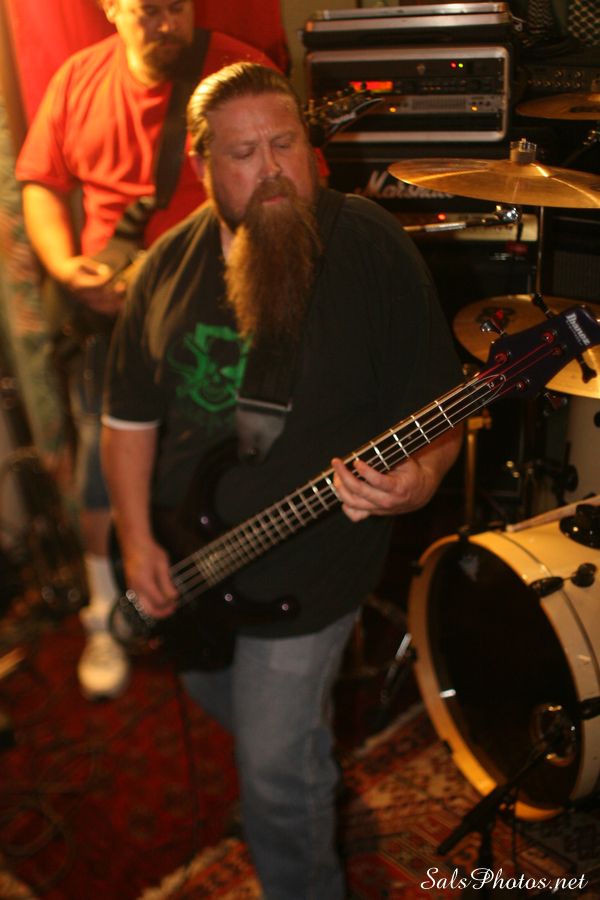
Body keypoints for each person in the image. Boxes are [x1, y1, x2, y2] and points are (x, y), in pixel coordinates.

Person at [101, 62, 463, 900]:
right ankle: (303, 771)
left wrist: (417, 481)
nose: (270, 169)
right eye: (242, 153)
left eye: (284, 143)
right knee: (231, 706)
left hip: (310, 571)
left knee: (269, 775)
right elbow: (127, 421)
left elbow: (439, 409)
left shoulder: (366, 244)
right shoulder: (164, 268)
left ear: (310, 145)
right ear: (202, 167)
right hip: (187, 558)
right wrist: (138, 538)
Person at [15, 0, 275, 700]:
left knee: (231, 456)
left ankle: (235, 595)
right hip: (114, 316)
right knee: (101, 469)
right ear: (110, 8)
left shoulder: (236, 68)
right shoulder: (77, 80)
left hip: (218, 310)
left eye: (176, 6)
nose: (166, 22)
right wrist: (68, 269)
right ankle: (105, 614)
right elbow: (40, 184)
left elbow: (285, 189)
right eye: (148, 9)